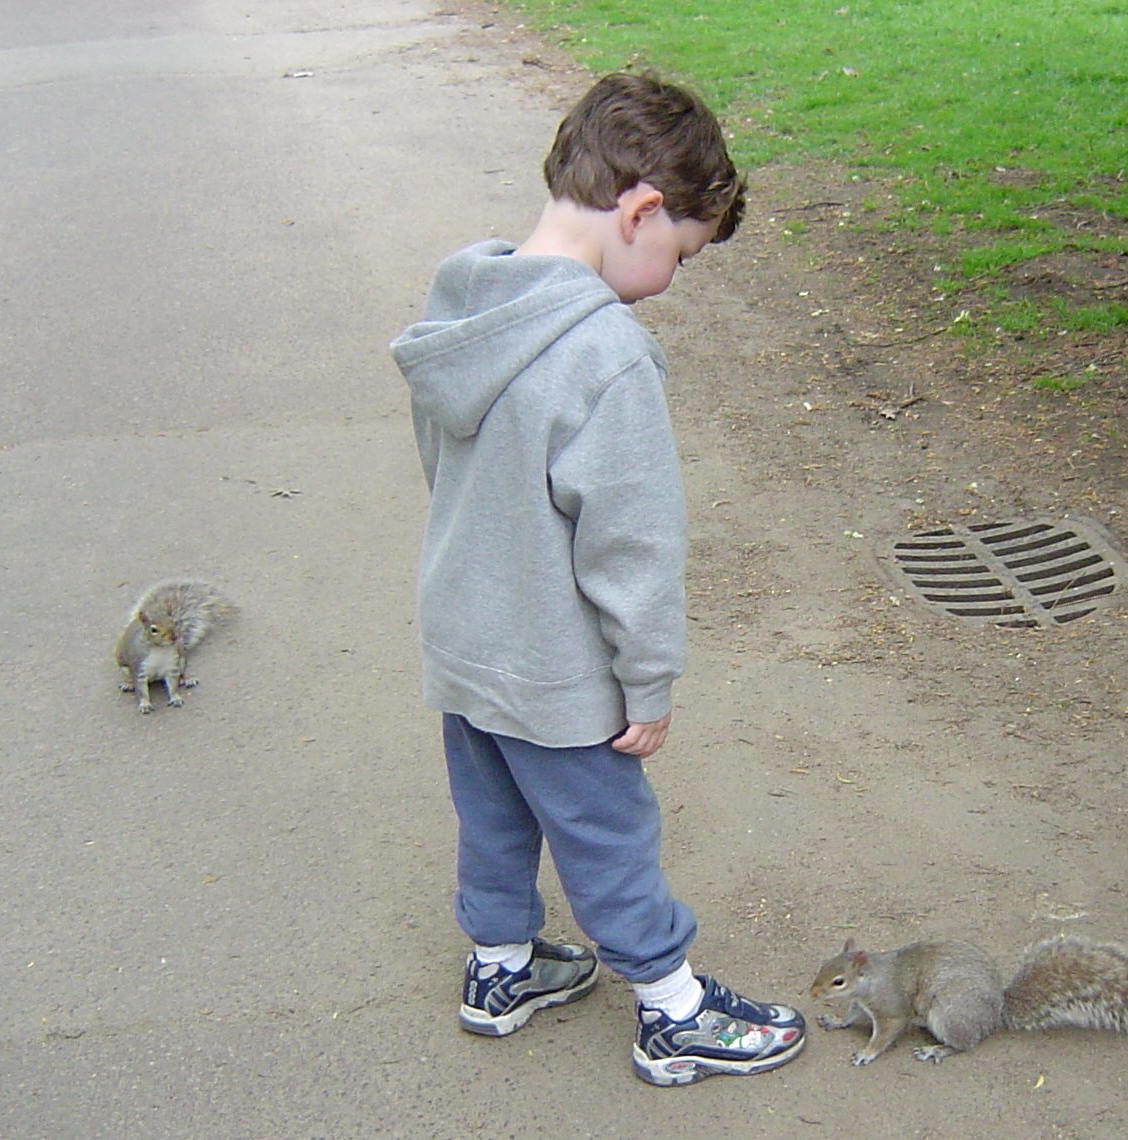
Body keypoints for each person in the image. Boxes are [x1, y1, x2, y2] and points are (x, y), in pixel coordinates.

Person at [389, 72, 805, 1087]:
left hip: (464, 635)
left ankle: (501, 968)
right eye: (679, 255)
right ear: (641, 211)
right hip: (553, 665)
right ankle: (671, 1009)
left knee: (491, 812)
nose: (669, 277)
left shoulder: (463, 306)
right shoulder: (605, 354)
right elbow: (633, 544)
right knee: (608, 826)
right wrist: (647, 680)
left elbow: (447, 468)